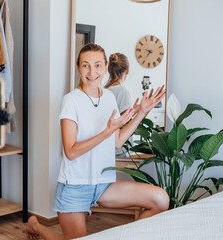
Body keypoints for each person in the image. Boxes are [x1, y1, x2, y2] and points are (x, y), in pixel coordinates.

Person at [26, 43, 169, 240]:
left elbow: (117, 142)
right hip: (74, 186)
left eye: (98, 65)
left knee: (161, 199)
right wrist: (107, 131)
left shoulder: (109, 97)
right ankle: (36, 227)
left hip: (103, 185)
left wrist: (141, 113)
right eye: (86, 65)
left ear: (105, 68)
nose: (92, 71)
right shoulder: (71, 100)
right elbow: (71, 151)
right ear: (78, 67)